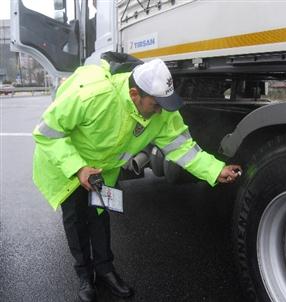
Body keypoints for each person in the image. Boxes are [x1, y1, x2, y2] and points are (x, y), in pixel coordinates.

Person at [32, 55, 242, 302]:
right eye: (156, 104)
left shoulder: (161, 112)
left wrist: (216, 170)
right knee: (76, 221)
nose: (161, 110)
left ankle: (105, 271)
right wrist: (78, 169)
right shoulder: (94, 97)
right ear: (134, 95)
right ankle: (84, 277)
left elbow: (183, 148)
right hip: (66, 165)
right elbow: (46, 133)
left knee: (99, 219)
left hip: (102, 171)